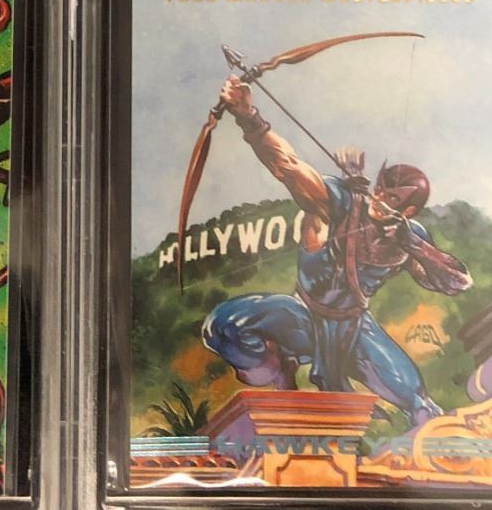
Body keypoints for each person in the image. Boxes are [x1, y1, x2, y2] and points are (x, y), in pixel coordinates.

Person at [202, 72, 472, 428]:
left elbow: (457, 282)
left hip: (355, 331)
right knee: (223, 326)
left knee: (417, 401)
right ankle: (282, 375)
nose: (379, 200)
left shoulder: (409, 238)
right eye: (380, 189)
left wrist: (413, 244)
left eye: (392, 199)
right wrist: (248, 117)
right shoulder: (339, 201)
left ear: (408, 211)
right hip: (302, 318)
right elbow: (287, 166)